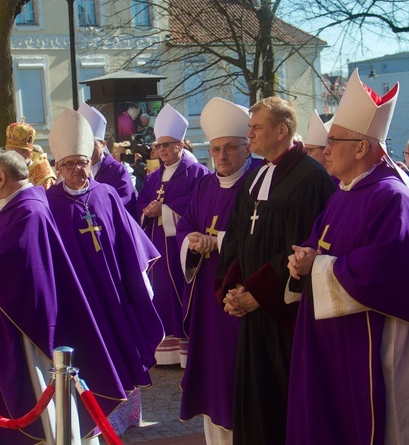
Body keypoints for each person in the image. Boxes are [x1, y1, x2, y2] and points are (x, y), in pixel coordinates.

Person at [284, 68, 409, 444]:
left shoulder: (391, 196)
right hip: (336, 337)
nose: (325, 150)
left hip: (377, 341)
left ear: (362, 147)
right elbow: (318, 243)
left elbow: (387, 270)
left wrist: (318, 267)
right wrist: (300, 263)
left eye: (334, 141)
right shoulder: (344, 191)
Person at [0, 150, 127, 444]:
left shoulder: (29, 211)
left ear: (2, 178)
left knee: (41, 404)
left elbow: (14, 266)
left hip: (25, 330)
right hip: (9, 320)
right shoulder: (12, 207)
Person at [216, 96, 336, 444]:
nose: (249, 134)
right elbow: (237, 238)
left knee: (282, 406)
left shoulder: (310, 179)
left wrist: (259, 295)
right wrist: (234, 291)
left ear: (282, 130)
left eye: (256, 128)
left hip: (287, 319)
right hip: (253, 315)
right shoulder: (255, 178)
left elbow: (303, 246)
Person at [46, 108, 163, 435]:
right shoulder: (48, 203)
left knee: (119, 344)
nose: (77, 170)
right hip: (77, 301)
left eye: (81, 163)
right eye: (69, 164)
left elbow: (130, 245)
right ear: (57, 167)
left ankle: (119, 418)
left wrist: (138, 286)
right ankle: (87, 418)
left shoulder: (106, 194)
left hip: (114, 294)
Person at [177, 98, 260, 445]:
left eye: (230, 148)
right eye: (215, 150)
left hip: (240, 299)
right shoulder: (205, 186)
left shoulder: (258, 183)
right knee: (214, 381)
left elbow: (264, 237)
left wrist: (219, 243)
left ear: (246, 148)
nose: (222, 156)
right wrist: (192, 242)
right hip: (207, 307)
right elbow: (187, 226)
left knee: (239, 380)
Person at [136, 104, 209, 366]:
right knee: (160, 294)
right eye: (159, 145)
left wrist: (164, 210)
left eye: (167, 145)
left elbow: (198, 205)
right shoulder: (155, 176)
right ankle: (163, 352)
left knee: (179, 292)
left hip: (179, 246)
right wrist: (148, 210)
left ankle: (186, 353)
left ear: (180, 145)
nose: (162, 150)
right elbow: (140, 203)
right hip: (157, 246)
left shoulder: (197, 172)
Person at [0, 121, 56, 232]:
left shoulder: (43, 175)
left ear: (27, 155)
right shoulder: (2, 168)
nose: (8, 158)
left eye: (14, 154)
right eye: (7, 152)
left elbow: (44, 211)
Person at [78, 103, 138, 218]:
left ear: (103, 144)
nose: (87, 147)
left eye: (92, 143)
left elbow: (126, 205)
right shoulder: (75, 170)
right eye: (84, 143)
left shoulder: (116, 171)